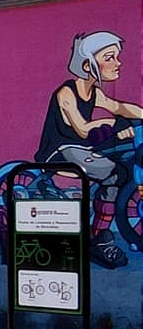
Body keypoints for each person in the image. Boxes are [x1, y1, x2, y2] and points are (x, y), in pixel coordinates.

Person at [35, 31, 142, 268]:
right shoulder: (66, 93)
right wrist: (114, 124)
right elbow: (82, 129)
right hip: (60, 151)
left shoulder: (94, 92)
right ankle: (98, 238)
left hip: (82, 149)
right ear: (87, 65)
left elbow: (118, 106)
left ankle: (99, 234)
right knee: (113, 173)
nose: (118, 63)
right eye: (110, 57)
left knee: (123, 167)